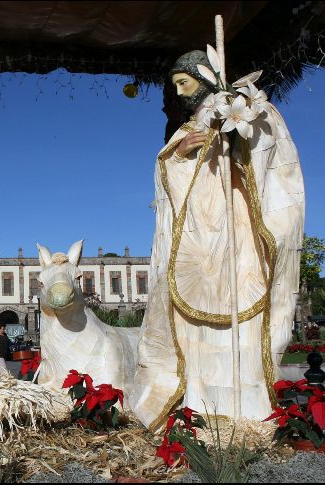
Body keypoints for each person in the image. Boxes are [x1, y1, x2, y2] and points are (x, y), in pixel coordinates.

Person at [131, 51, 305, 430]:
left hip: (238, 235)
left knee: (240, 325)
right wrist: (178, 155)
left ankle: (247, 413)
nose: (178, 92)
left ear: (206, 78)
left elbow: (273, 158)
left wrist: (237, 135)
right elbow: (167, 174)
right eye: (175, 85)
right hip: (198, 244)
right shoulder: (186, 128)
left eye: (184, 82)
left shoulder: (245, 108)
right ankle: (198, 406)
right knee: (195, 335)